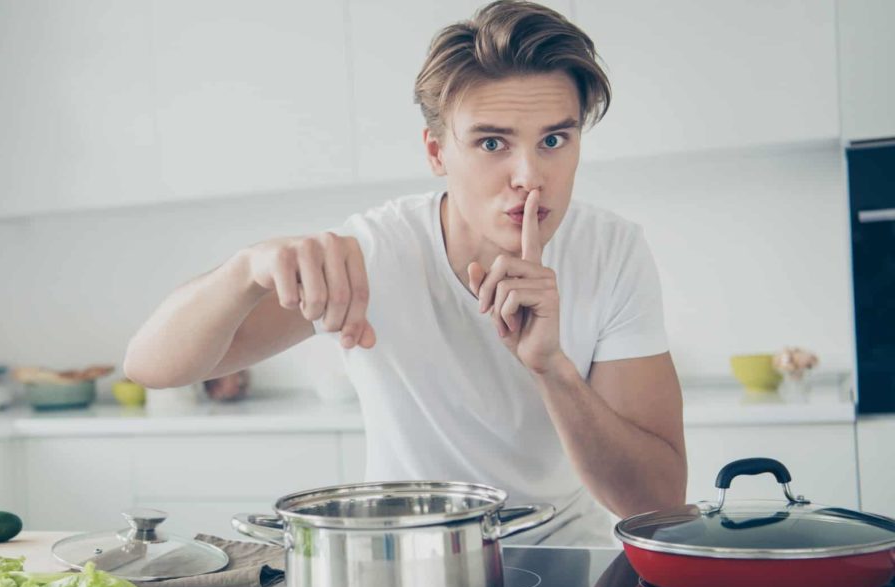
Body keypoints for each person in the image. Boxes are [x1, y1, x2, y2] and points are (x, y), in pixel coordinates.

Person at [125, 0, 686, 545]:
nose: (528, 176)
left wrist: (552, 368)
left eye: (553, 140)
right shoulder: (377, 250)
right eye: (492, 143)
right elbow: (150, 366)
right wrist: (245, 269)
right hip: (407, 560)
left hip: (566, 554)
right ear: (437, 153)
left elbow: (656, 504)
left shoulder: (611, 249)